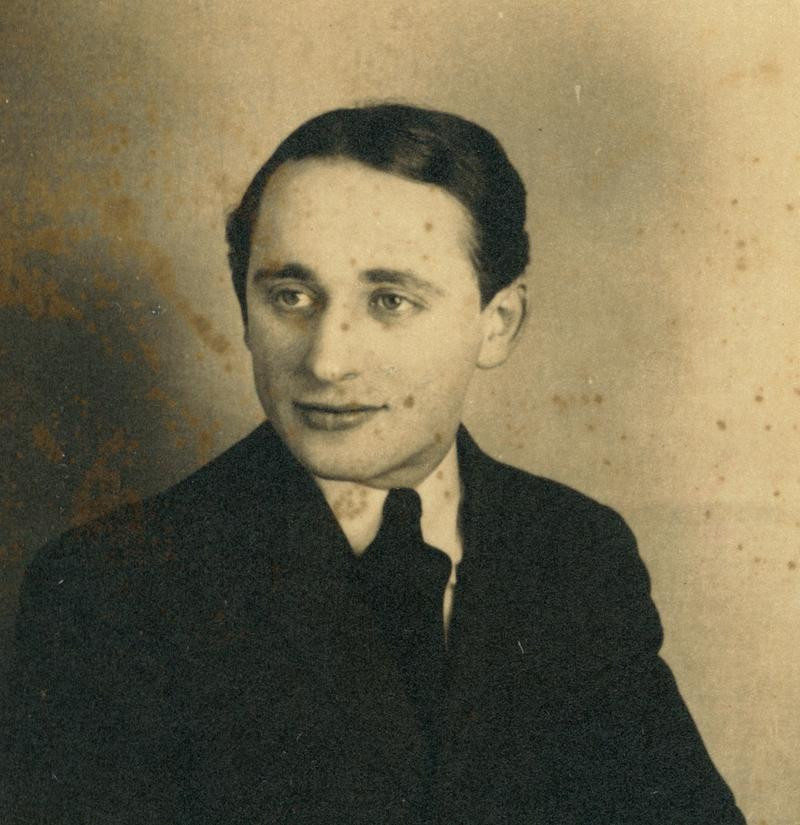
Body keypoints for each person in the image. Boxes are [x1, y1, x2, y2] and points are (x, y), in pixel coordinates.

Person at [3, 104, 746, 824]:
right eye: (290, 295)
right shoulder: (109, 590)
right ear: (243, 307)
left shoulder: (574, 550)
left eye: (390, 300)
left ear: (498, 323)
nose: (326, 361)